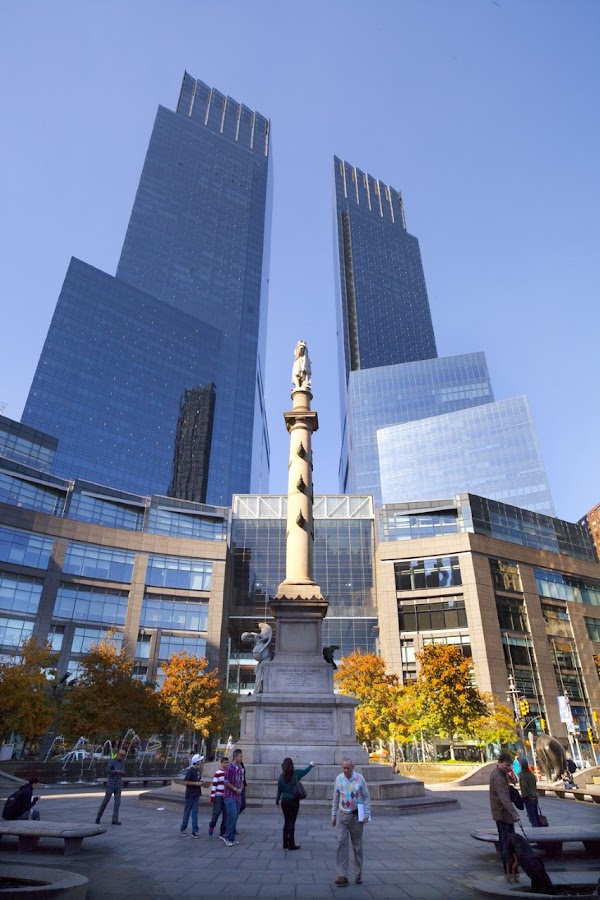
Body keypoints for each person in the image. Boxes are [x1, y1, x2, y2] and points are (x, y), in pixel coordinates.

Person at [331, 757, 371, 886]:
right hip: (342, 815)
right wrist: (333, 815)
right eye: (344, 768)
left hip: (356, 815)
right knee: (341, 843)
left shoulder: (360, 779)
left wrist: (366, 814)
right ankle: (342, 875)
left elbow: (366, 796)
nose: (346, 770)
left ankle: (358, 874)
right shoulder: (339, 779)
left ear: (353, 767)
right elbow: (335, 798)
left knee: (357, 846)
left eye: (348, 768)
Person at [490, 752, 520, 877]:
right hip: (502, 814)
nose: (509, 767)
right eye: (507, 765)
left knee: (510, 841)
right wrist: (514, 814)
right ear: (500, 763)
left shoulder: (504, 773)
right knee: (506, 842)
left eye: (510, 765)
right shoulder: (497, 776)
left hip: (506, 814)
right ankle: (508, 869)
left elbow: (515, 781)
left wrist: (511, 773)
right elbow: (503, 797)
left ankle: (512, 868)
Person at [276, 757, 315, 850]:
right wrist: (311, 765)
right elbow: (305, 771)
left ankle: (285, 842)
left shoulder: (281, 776)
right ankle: (291, 843)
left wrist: (277, 799)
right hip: (293, 800)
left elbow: (279, 790)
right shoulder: (296, 774)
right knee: (292, 821)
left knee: (286, 821)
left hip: (284, 800)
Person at [96, 748, 126, 825]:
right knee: (106, 801)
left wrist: (122, 772)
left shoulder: (123, 763)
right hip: (111, 784)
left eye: (124, 756)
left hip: (118, 785)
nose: (122, 757)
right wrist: (116, 771)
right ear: (118, 754)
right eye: (121, 755)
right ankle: (98, 816)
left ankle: (115, 819)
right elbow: (107, 770)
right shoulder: (112, 761)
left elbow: (123, 771)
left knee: (117, 802)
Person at [222, 748, 244, 846]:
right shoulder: (230, 767)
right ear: (235, 757)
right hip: (229, 795)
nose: (241, 758)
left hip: (237, 796)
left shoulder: (239, 768)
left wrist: (241, 788)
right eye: (240, 756)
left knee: (235, 817)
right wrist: (235, 789)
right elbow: (226, 782)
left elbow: (241, 780)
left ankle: (232, 837)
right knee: (232, 814)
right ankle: (227, 836)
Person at [180, 753, 204, 837]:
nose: (201, 761)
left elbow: (198, 779)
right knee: (187, 811)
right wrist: (196, 783)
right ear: (196, 761)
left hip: (196, 794)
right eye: (199, 760)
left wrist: (200, 782)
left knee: (195, 812)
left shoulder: (198, 770)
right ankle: (183, 828)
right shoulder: (191, 770)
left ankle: (194, 830)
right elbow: (186, 782)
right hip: (190, 794)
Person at [518, 758, 542, 827]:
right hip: (534, 796)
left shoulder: (522, 775)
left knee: (531, 816)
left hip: (528, 797)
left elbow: (524, 786)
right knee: (535, 814)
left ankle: (536, 830)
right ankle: (539, 828)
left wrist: (528, 795)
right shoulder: (531, 774)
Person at [208, 755, 228, 838]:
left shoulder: (228, 773)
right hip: (218, 796)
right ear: (221, 763)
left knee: (226, 815)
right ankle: (212, 825)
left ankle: (222, 832)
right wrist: (212, 797)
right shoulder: (218, 773)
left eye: (228, 762)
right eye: (225, 762)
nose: (227, 764)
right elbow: (214, 785)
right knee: (216, 813)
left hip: (226, 796)